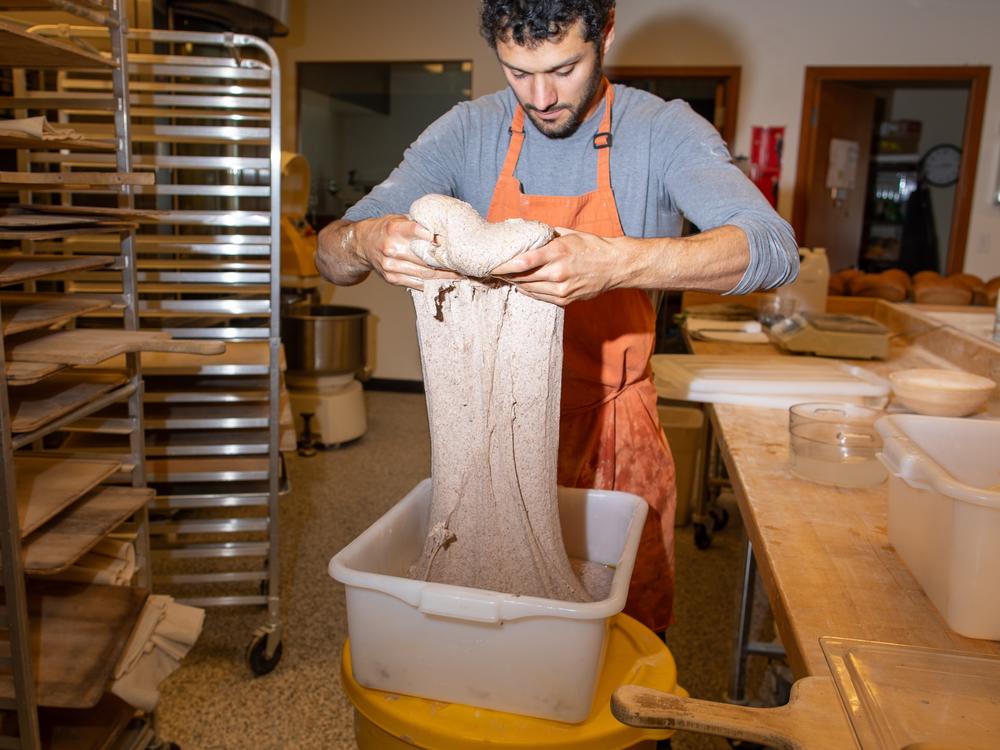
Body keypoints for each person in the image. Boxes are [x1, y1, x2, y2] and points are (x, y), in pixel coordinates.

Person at [316, 0, 798, 633]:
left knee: (623, 629)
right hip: (490, 434)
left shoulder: (662, 130)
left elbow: (772, 249)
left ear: (606, 35)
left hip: (613, 433)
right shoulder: (468, 130)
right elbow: (332, 252)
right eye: (518, 72)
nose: (541, 96)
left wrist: (616, 263)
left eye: (564, 67)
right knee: (492, 625)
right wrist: (366, 239)